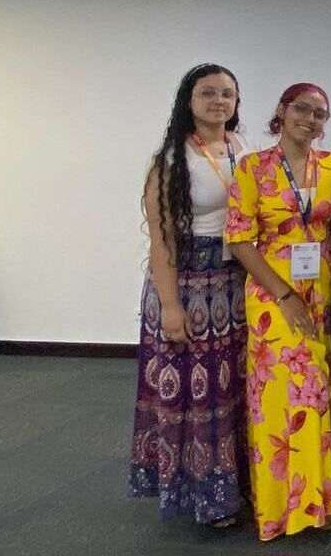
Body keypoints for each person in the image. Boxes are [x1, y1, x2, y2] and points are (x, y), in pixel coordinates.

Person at [129, 63, 251, 527]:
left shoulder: (242, 147)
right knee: (196, 396)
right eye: (208, 93)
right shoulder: (170, 161)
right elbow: (160, 242)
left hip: (235, 281)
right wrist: (172, 308)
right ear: (189, 100)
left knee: (234, 387)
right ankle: (206, 498)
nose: (219, 101)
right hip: (186, 283)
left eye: (227, 94)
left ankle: (239, 486)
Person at [225, 83, 331, 541]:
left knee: (326, 392)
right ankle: (287, 509)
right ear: (281, 111)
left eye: (319, 113)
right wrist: (285, 295)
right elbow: (239, 240)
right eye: (302, 109)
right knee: (290, 396)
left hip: (326, 289)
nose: (310, 119)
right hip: (276, 294)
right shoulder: (253, 167)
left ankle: (325, 502)